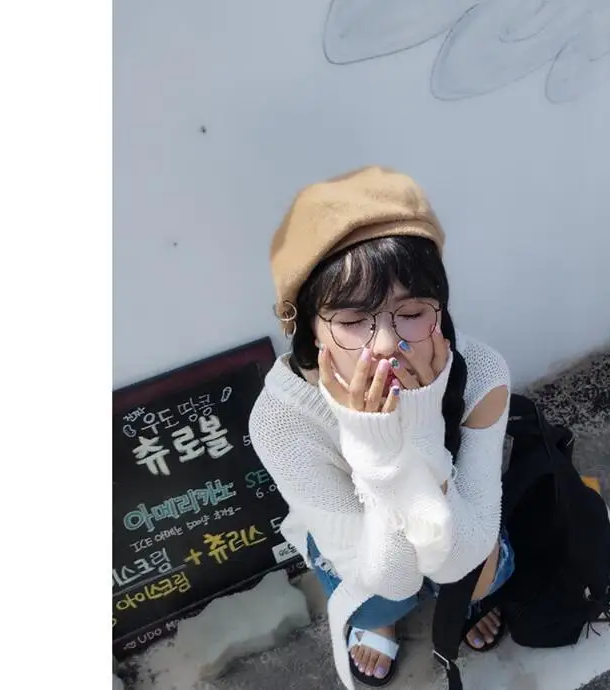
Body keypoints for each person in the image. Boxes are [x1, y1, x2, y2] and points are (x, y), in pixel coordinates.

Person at [249, 166, 513, 689]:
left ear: (440, 307)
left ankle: (451, 606)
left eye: (411, 311)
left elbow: (457, 563)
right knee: (379, 600)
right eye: (352, 322)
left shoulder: (481, 373)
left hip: (454, 539)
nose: (388, 344)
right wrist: (379, 457)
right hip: (368, 553)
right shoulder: (282, 421)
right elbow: (391, 577)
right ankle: (383, 623)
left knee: (480, 577)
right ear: (307, 327)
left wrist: (421, 430)